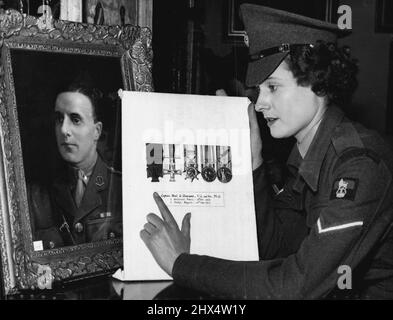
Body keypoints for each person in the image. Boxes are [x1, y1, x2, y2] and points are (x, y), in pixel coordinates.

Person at [140, 4, 393, 299]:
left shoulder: (359, 165)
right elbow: (275, 247)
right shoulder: (308, 151)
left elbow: (297, 285)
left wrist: (181, 264)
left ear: (318, 83)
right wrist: (254, 161)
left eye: (273, 87)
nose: (260, 104)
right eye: (258, 90)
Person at [29, 83, 122, 250]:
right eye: (59, 119)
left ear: (97, 131)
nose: (64, 129)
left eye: (75, 119)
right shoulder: (36, 195)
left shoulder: (122, 188)